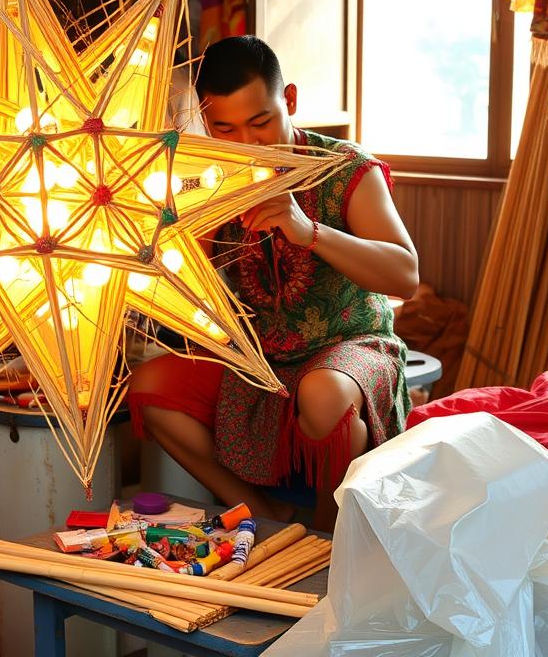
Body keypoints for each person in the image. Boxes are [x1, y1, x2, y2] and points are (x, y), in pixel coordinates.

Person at [129, 36, 419, 530]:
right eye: (225, 129)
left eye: (261, 123)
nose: (247, 144)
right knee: (151, 385)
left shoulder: (343, 167)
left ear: (289, 101)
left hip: (348, 348)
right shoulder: (208, 177)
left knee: (324, 393)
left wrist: (309, 232)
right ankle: (267, 518)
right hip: (261, 359)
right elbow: (170, 272)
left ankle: (327, 548)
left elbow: (406, 275)